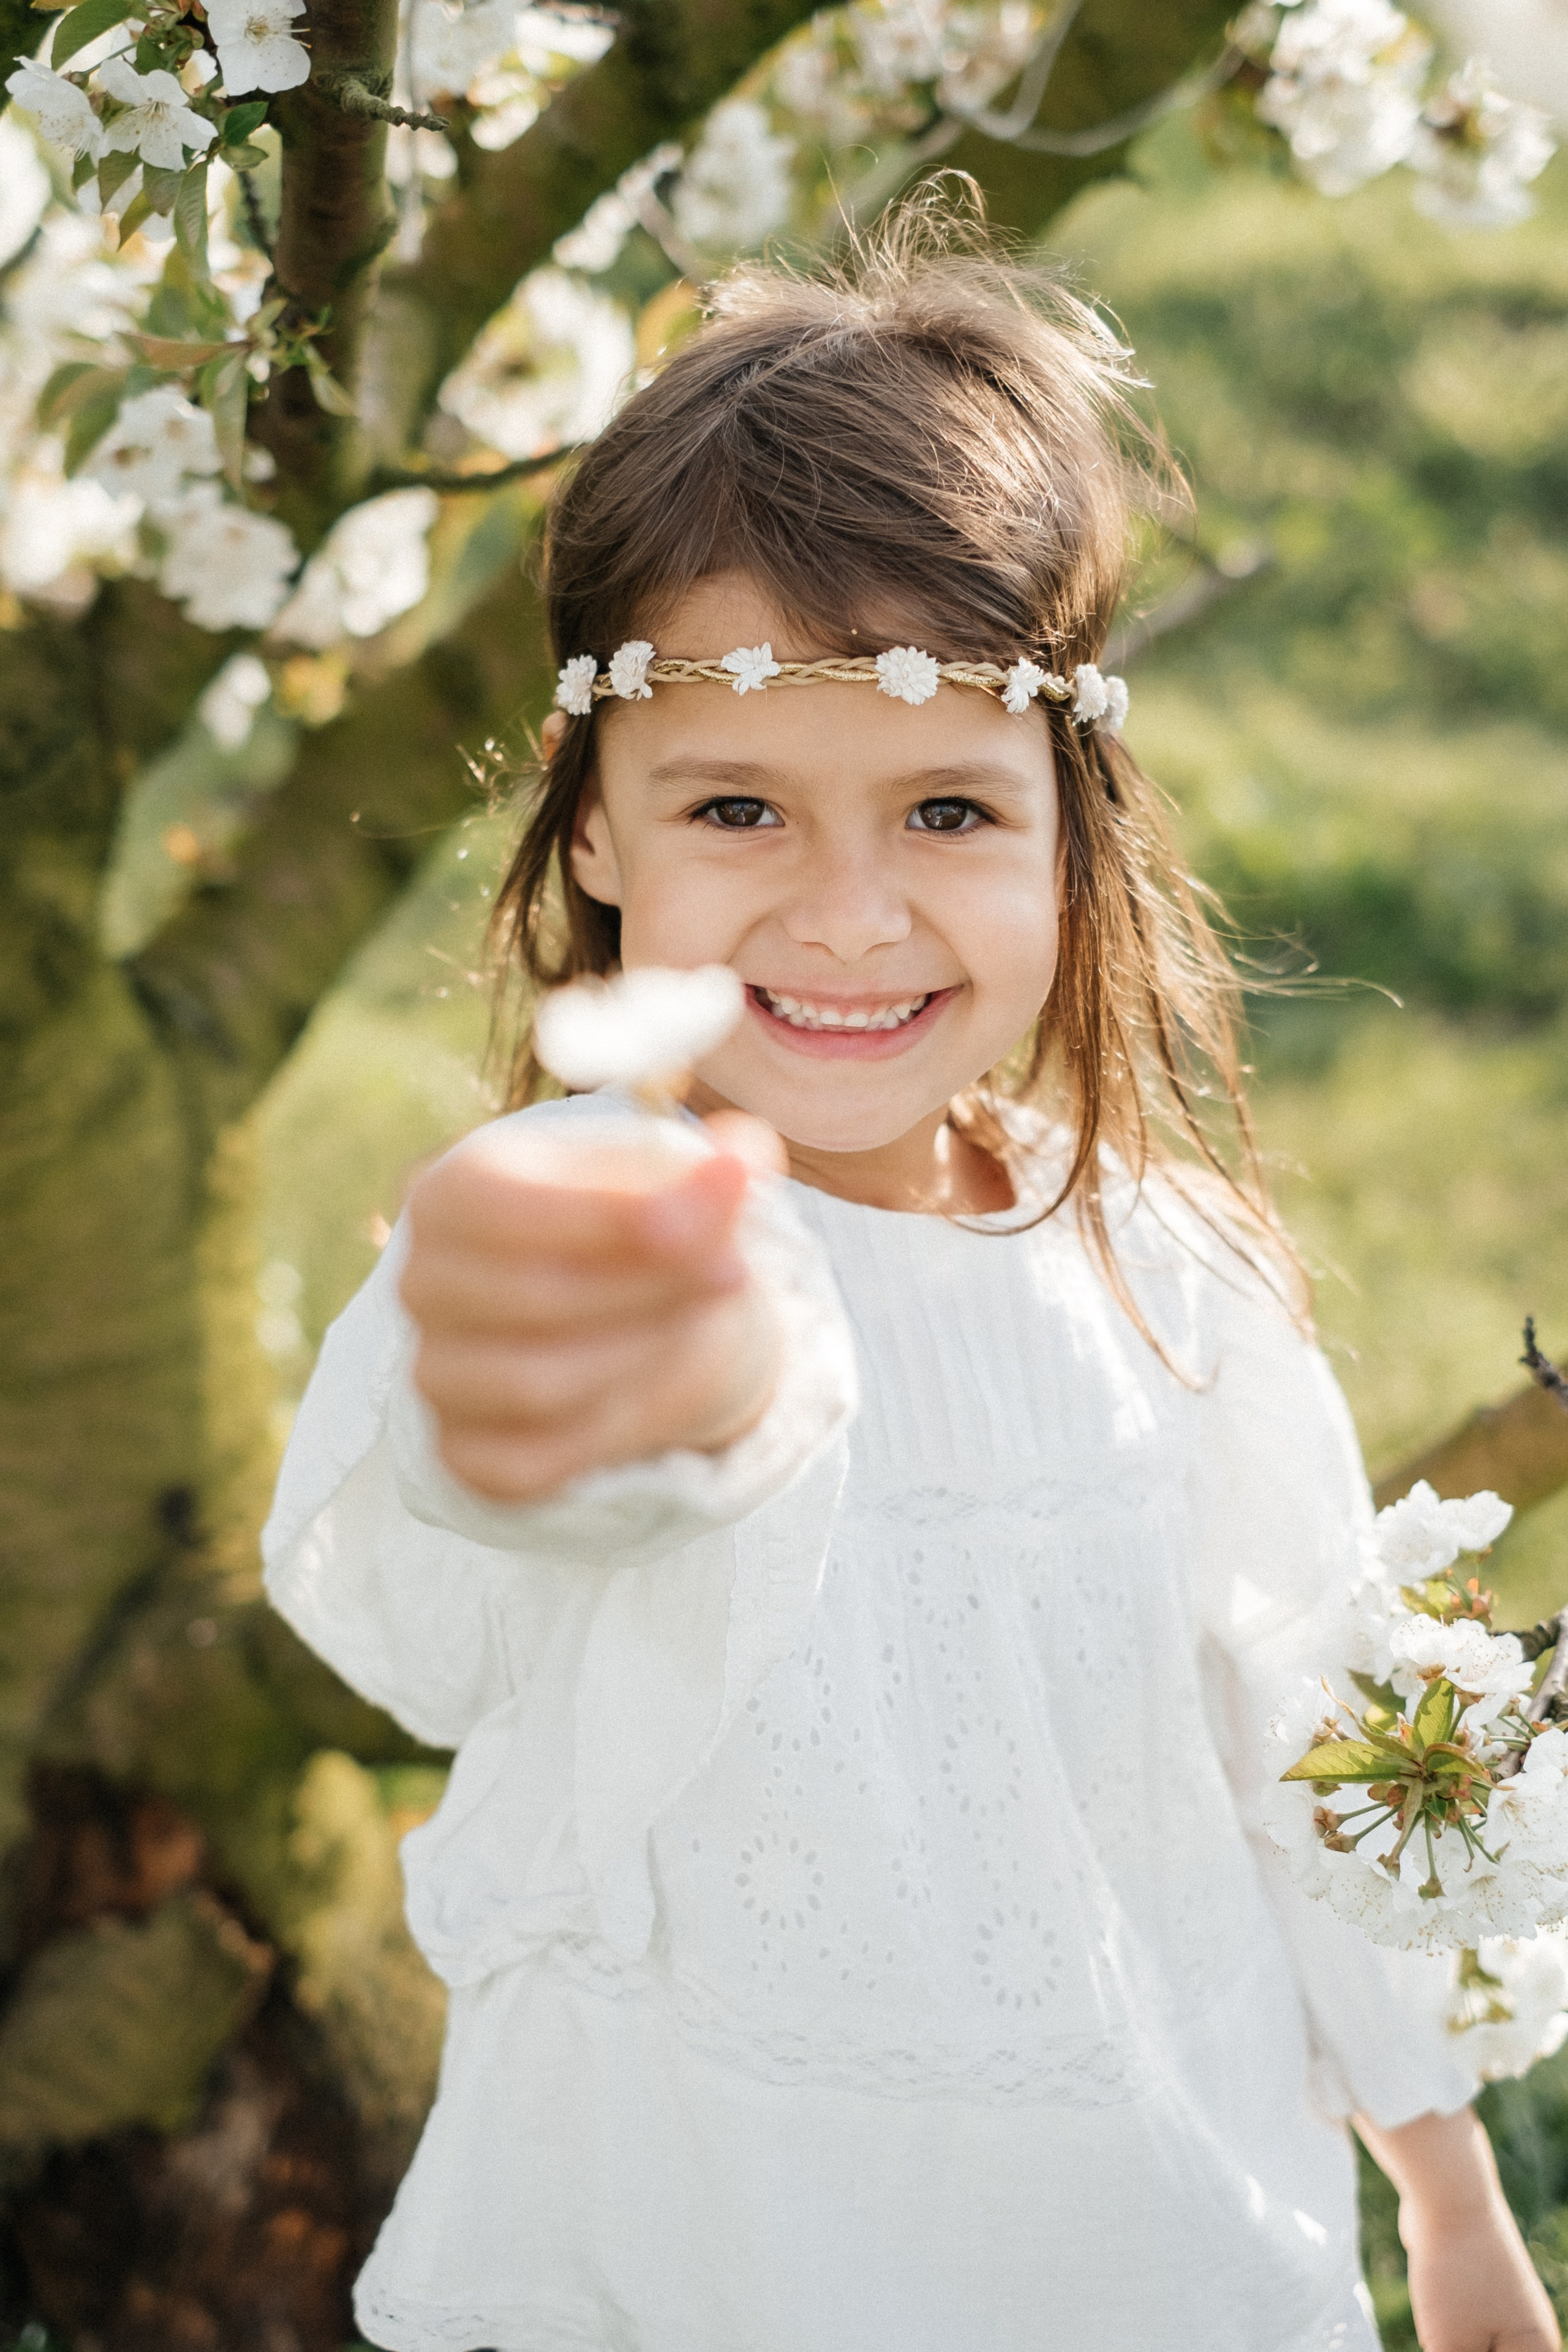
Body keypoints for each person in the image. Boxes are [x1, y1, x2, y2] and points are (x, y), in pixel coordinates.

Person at [262, 200, 1559, 2352]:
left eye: (948, 814)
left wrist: (1444, 2188)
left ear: (1075, 825)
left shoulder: (1177, 1274)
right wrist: (541, 1390)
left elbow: (1305, 1746)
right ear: (595, 827)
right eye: (740, 811)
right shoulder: (606, 1231)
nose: (849, 919)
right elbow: (515, 1519)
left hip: (1144, 2226)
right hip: (713, 2240)